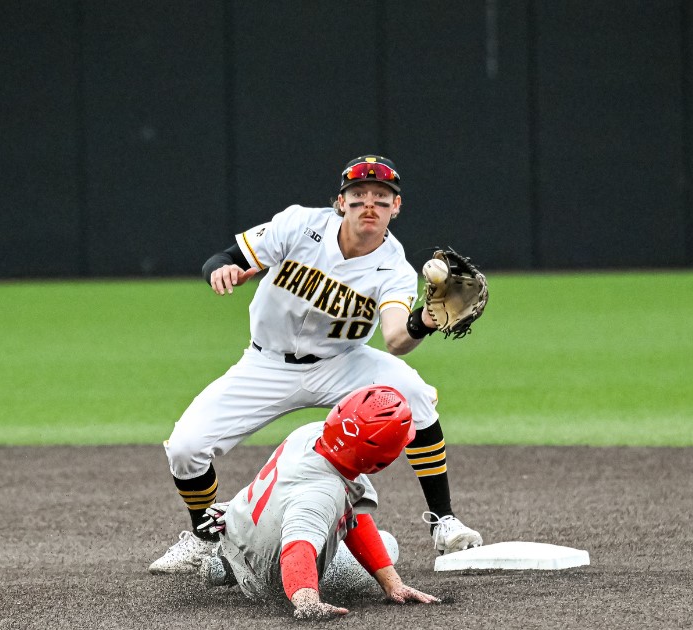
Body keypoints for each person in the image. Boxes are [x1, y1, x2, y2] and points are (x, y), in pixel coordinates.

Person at [150, 154, 482, 575]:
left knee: (412, 391)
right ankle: (203, 537)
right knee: (186, 447)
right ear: (340, 202)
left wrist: (426, 321)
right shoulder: (299, 224)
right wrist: (223, 270)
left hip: (340, 363)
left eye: (381, 198)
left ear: (395, 208)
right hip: (265, 363)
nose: (369, 205)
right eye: (359, 195)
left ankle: (444, 522)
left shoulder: (394, 267)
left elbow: (397, 339)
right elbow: (225, 257)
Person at [196, 385, 440, 620]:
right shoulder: (322, 493)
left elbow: (350, 512)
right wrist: (307, 601)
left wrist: (392, 584)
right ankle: (234, 572)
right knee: (389, 544)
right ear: (381, 460)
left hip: (236, 526)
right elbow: (298, 548)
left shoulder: (312, 433)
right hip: (265, 576)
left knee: (317, 515)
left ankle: (228, 560)